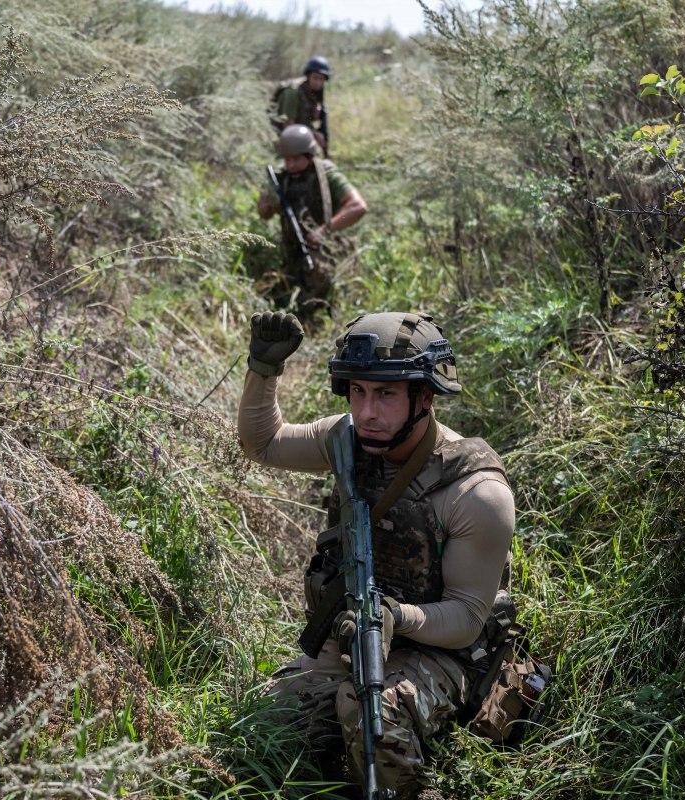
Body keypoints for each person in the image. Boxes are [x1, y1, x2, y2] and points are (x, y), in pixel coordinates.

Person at [237, 310, 517, 798]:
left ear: (425, 397)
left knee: (372, 714)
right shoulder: (347, 440)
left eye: (386, 394)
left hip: (445, 650)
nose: (367, 410)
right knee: (265, 725)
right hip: (353, 635)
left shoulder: (475, 492)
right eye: (358, 391)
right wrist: (264, 369)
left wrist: (396, 617)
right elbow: (263, 443)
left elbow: (469, 617)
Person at [257, 125, 367, 320]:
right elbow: (264, 214)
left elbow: (358, 206)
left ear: (309, 155)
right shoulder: (282, 179)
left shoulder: (326, 175)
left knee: (319, 276)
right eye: (287, 159)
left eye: (297, 159)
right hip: (291, 250)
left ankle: (314, 317)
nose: (290, 165)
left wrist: (324, 230)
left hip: (325, 247)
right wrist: (268, 203)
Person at [271, 55, 332, 155]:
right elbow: (288, 126)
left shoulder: (313, 93)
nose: (318, 83)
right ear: (308, 76)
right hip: (282, 136)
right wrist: (312, 135)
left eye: (321, 79)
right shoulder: (292, 92)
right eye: (315, 78)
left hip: (298, 132)